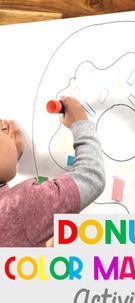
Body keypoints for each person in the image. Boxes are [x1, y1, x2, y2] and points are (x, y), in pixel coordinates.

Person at [0, 96, 105, 247]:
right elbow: (91, 177)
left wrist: (7, 157)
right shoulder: (20, 204)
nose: (7, 132)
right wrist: (80, 124)